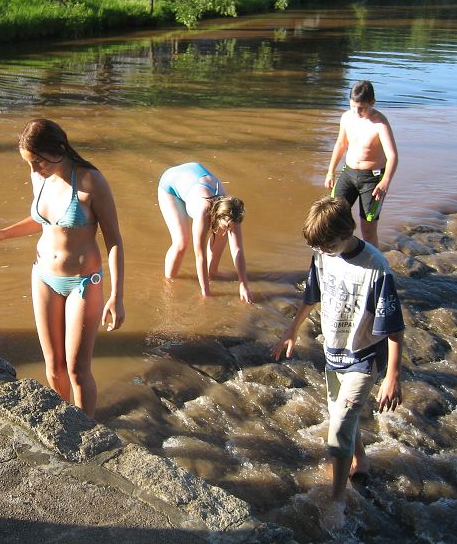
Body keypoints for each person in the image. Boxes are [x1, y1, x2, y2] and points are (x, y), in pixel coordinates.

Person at [271, 196, 404, 530]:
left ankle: (337, 500)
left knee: (340, 425)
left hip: (364, 357)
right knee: (341, 418)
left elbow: (394, 327)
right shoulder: (322, 254)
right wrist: (291, 330)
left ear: (347, 232)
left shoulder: (376, 267)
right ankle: (361, 463)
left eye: (328, 245)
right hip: (334, 353)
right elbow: (311, 295)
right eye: (317, 247)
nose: (322, 251)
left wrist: (392, 376)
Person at [0, 119, 124, 417]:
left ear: (59, 149)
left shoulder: (91, 181)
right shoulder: (40, 177)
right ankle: (66, 423)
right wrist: (4, 233)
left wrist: (117, 296)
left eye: (38, 161)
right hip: (43, 276)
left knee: (77, 369)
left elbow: (114, 241)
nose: (34, 169)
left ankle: (85, 429)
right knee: (54, 366)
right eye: (29, 163)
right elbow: (44, 219)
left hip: (83, 283)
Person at [157, 162, 253, 303]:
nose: (230, 230)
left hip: (194, 177)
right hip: (170, 185)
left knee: (221, 234)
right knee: (182, 242)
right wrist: (206, 293)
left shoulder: (234, 210)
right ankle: (169, 282)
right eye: (228, 226)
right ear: (217, 216)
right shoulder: (203, 212)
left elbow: (237, 249)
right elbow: (200, 255)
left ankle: (212, 273)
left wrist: (243, 284)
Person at [325, 80, 399, 247]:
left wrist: (385, 181)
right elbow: (340, 144)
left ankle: (375, 261)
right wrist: (331, 172)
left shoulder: (380, 123)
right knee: (333, 216)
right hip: (349, 173)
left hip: (372, 179)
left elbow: (393, 155)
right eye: (353, 107)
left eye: (362, 108)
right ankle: (341, 254)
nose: (357, 112)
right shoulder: (346, 117)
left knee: (368, 229)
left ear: (372, 103)